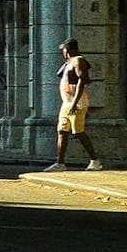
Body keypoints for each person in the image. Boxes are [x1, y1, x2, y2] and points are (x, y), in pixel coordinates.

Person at [46, 39, 104, 171]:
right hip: (67, 103)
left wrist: (75, 103)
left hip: (75, 103)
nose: (63, 52)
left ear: (70, 49)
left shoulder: (78, 61)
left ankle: (95, 160)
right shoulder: (69, 62)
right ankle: (60, 163)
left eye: (64, 49)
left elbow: (82, 81)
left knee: (78, 132)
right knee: (62, 131)